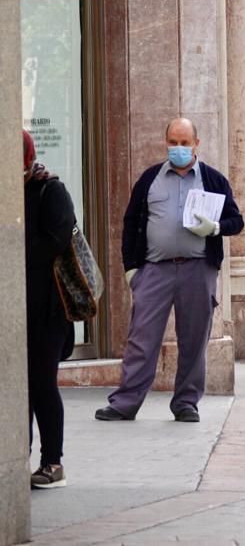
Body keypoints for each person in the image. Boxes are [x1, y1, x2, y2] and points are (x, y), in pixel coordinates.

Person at [96, 118, 243, 423]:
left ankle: (186, 403)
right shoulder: (150, 178)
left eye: (184, 142)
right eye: (173, 142)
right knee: (141, 339)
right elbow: (130, 222)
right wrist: (131, 269)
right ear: (166, 143)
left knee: (193, 340)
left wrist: (215, 227)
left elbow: (236, 221)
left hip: (197, 270)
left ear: (196, 144)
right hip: (154, 271)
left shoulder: (213, 180)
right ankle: (125, 403)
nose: (178, 148)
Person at [23, 130, 75, 488]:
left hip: (48, 309)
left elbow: (55, 241)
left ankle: (52, 462)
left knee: (42, 384)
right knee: (16, 388)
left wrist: (13, 248)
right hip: (16, 307)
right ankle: (16, 457)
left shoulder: (49, 190)